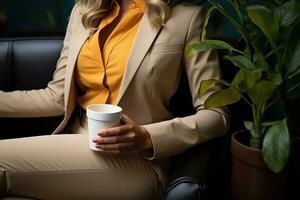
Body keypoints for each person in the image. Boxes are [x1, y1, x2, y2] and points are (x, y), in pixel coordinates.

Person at [0, 0, 229, 199]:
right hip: (75, 143)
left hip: (136, 159)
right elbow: (56, 98)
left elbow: (217, 115)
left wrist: (147, 136)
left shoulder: (186, 18)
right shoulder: (84, 11)